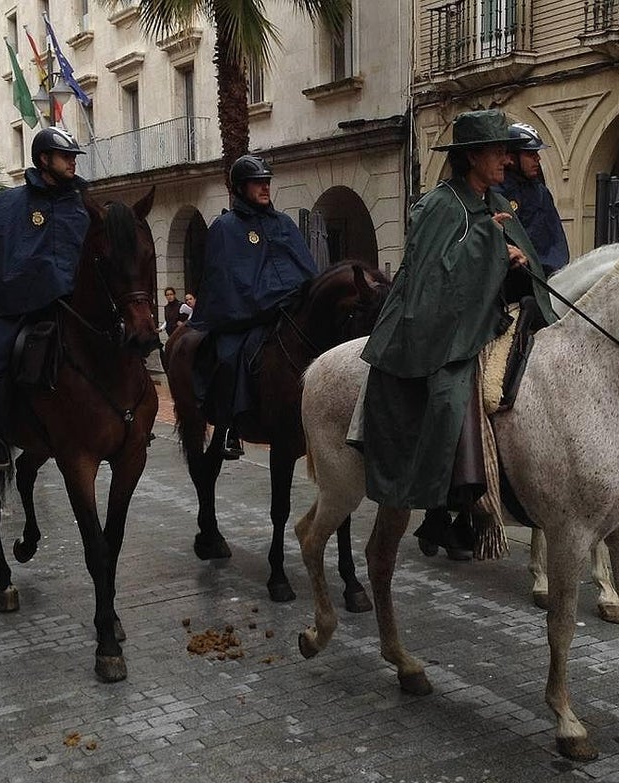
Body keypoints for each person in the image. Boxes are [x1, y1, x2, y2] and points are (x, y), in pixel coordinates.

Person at [359, 110, 552, 555]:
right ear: (471, 156)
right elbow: (431, 275)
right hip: (435, 326)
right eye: (497, 151)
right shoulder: (440, 204)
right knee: (453, 392)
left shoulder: (499, 204)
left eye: (507, 151)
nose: (506, 159)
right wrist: (492, 246)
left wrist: (517, 262)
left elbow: (515, 262)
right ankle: (447, 504)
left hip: (492, 316)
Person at [0, 126, 90, 471]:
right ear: (44, 159)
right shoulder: (8, 204)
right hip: (18, 303)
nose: (72, 164)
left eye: (73, 158)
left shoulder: (80, 203)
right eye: (65, 157)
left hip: (71, 302)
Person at [190, 154, 318, 458]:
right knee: (230, 355)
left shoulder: (284, 223)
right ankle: (228, 427)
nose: (264, 187)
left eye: (266, 182)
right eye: (257, 182)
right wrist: (262, 304)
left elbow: (305, 269)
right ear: (240, 187)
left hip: (289, 311)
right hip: (245, 317)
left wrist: (304, 297)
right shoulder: (225, 227)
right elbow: (224, 279)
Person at [493, 122, 570, 278]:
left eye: (536, 153)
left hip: (545, 276)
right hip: (510, 278)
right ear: (512, 157)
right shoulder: (495, 191)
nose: (538, 159)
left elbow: (556, 240)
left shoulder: (541, 192)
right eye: (530, 154)